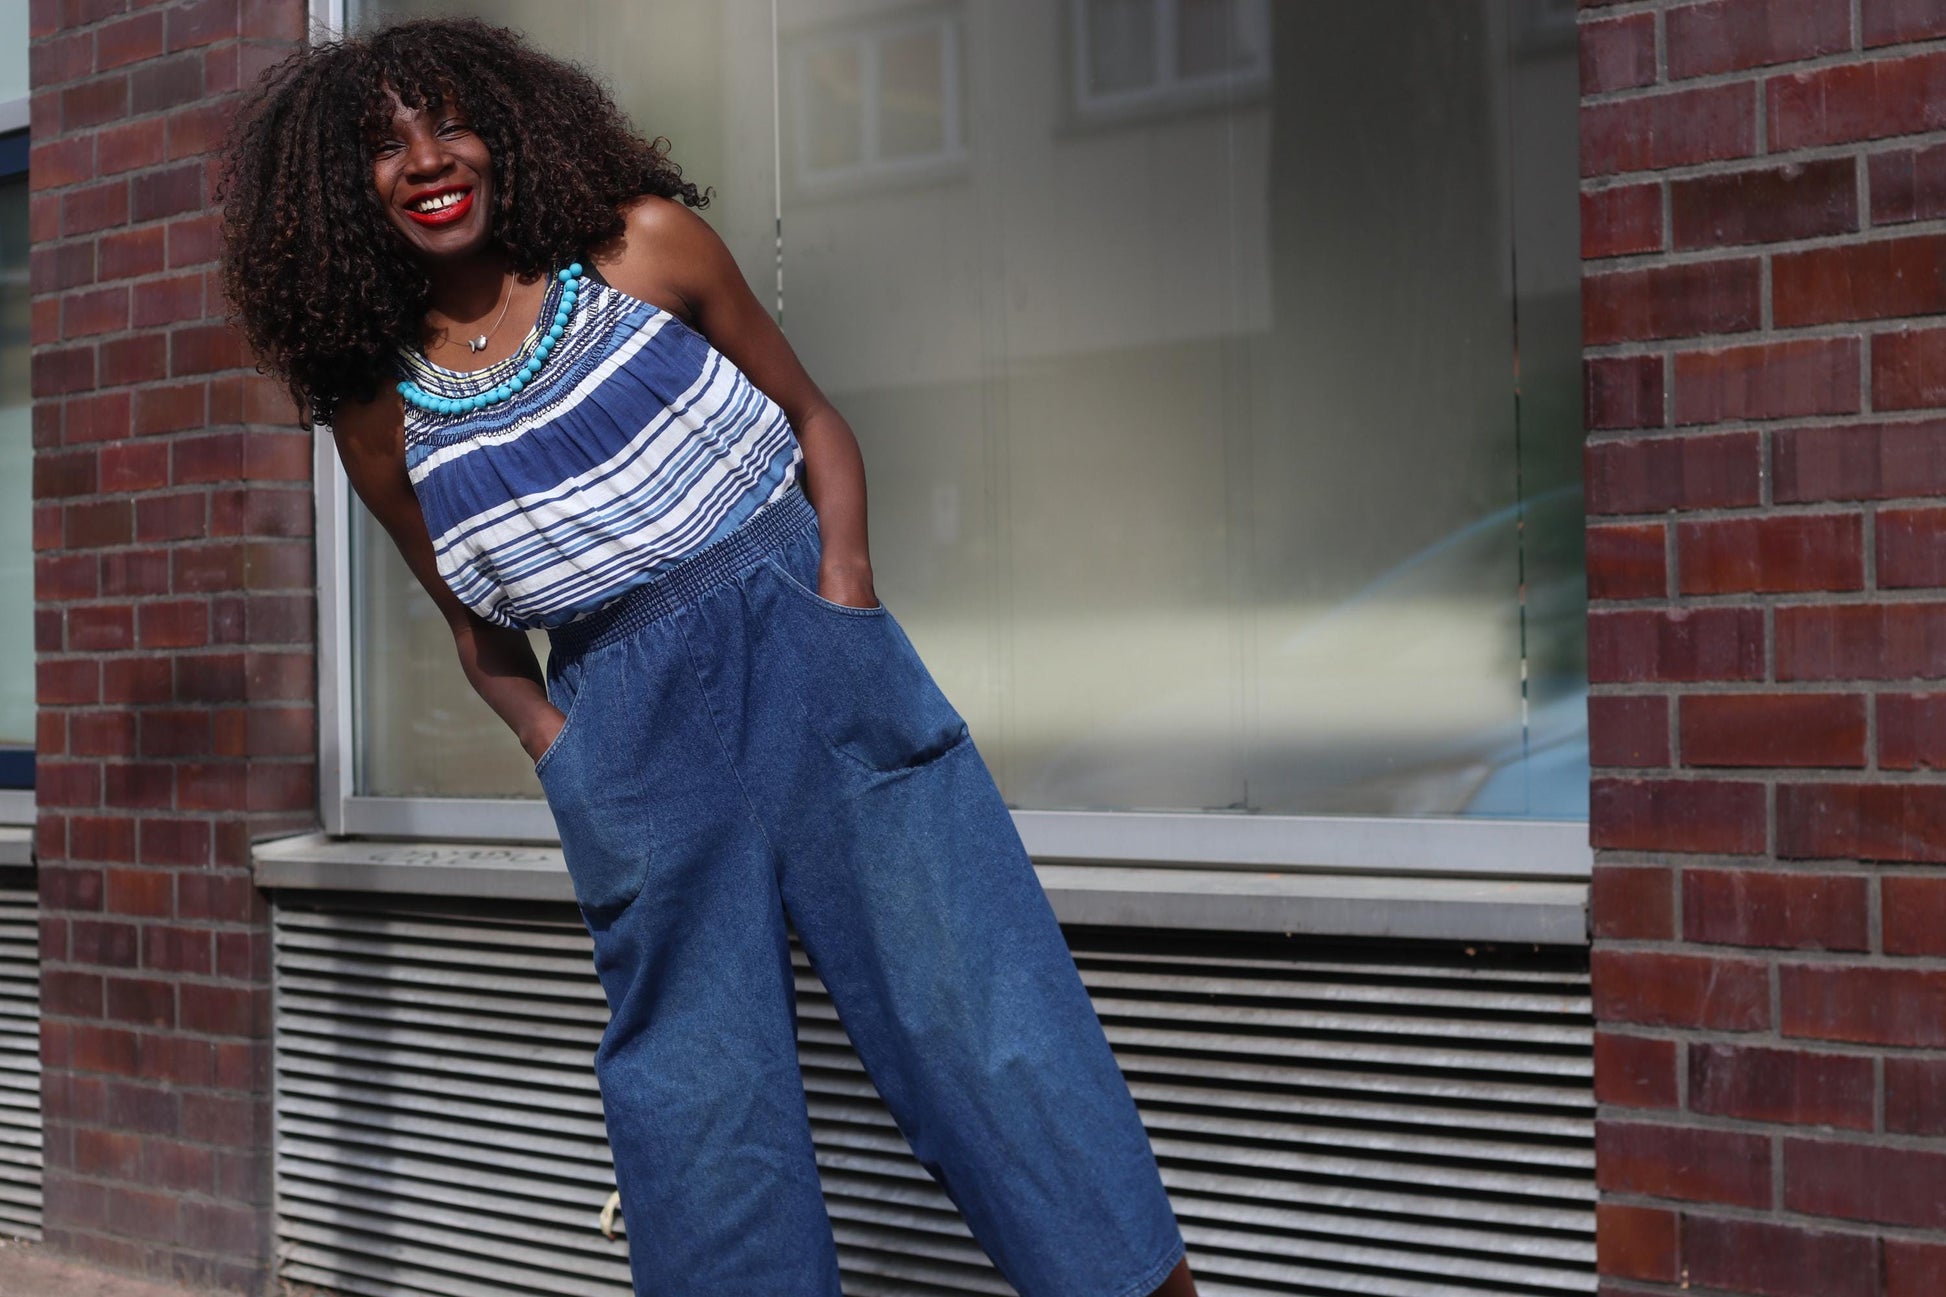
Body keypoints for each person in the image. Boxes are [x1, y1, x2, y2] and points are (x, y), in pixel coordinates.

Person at [217, 16, 1197, 1297]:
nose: (424, 160)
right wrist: (565, 753)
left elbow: (813, 419)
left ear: (502, 132)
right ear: (345, 196)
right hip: (625, 723)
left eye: (446, 122)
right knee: (698, 1104)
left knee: (979, 1013)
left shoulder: (642, 248)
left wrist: (840, 589)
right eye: (380, 148)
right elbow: (476, 633)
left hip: (805, 644)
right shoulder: (377, 418)